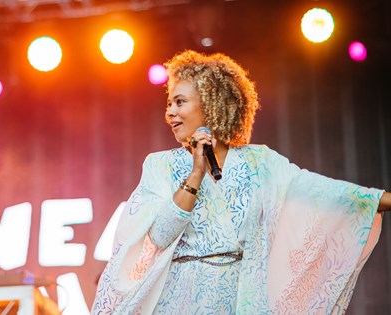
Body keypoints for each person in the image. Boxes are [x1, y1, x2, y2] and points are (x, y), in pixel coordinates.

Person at [92, 50, 391, 314]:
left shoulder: (261, 162)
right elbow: (159, 236)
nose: (169, 112)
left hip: (241, 299)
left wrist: (383, 200)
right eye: (169, 103)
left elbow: (322, 194)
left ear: (210, 103)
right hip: (179, 299)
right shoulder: (160, 164)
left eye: (179, 102)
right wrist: (196, 172)